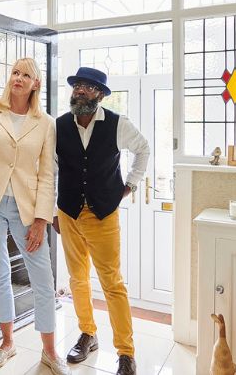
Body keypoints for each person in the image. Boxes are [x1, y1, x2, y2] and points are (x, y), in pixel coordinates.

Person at [0, 58, 69, 375]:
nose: (18, 78)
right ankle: (7, 344)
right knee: (0, 273)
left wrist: (41, 219)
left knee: (43, 280)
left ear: (36, 84)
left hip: (27, 208)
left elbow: (48, 175)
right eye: (14, 72)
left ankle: (49, 350)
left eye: (26, 75)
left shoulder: (45, 123)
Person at [52, 67, 150, 375]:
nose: (80, 90)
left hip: (103, 214)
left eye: (89, 87)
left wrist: (130, 185)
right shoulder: (59, 125)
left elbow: (143, 150)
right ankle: (88, 334)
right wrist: (53, 210)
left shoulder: (118, 124)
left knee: (112, 284)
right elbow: (51, 169)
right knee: (77, 279)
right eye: (77, 85)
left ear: (101, 95)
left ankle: (125, 352)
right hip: (68, 213)